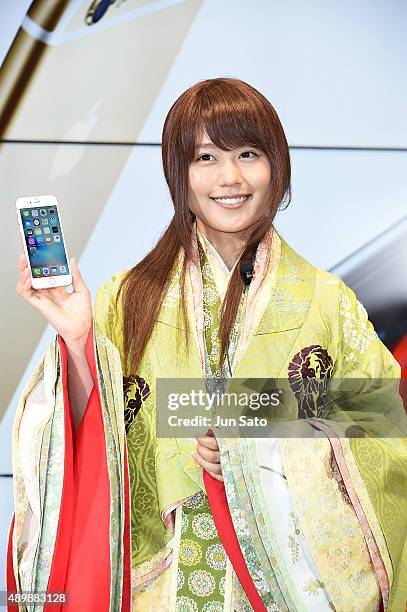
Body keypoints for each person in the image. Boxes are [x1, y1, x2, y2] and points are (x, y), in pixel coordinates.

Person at [10, 77, 407, 612]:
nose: (231, 178)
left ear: (277, 167)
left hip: (284, 583)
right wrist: (80, 342)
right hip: (164, 578)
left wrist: (258, 445)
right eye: (206, 156)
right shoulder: (127, 297)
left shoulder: (325, 300)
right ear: (181, 173)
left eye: (248, 153)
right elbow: (90, 438)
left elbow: (384, 432)